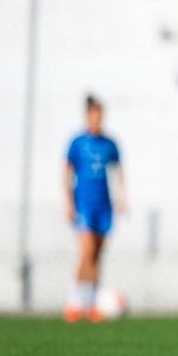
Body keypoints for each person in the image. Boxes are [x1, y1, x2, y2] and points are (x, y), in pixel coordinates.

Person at [62, 95, 126, 323]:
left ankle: (91, 304)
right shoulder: (78, 142)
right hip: (83, 204)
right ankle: (74, 301)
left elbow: (118, 170)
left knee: (97, 255)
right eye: (93, 116)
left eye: (100, 116)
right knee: (86, 252)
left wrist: (121, 198)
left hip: (104, 205)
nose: (97, 120)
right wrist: (68, 202)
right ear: (87, 116)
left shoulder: (109, 144)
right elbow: (67, 171)